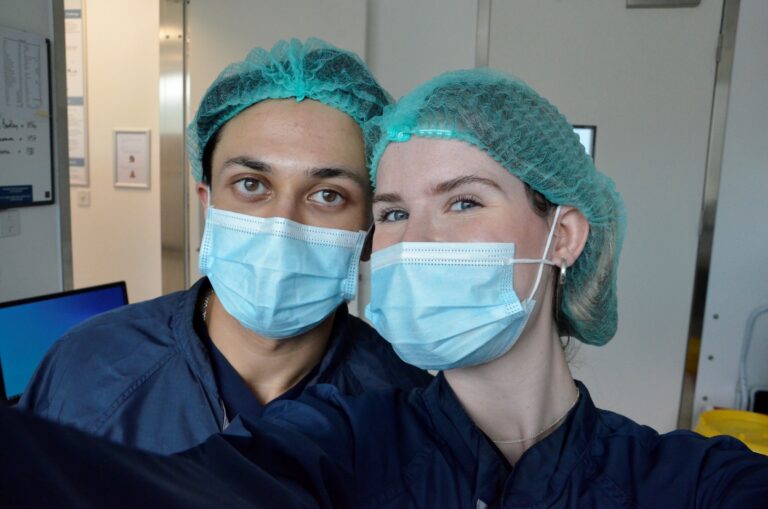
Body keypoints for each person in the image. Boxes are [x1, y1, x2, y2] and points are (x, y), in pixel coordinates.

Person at [3, 68, 767, 508]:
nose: (420, 240)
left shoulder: (686, 478)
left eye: (463, 201)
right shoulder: (341, 436)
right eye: (397, 210)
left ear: (564, 234)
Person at [17, 38, 430, 454]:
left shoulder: (407, 411)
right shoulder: (89, 369)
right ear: (207, 204)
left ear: (369, 231)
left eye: (327, 195)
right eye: (251, 185)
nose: (281, 225)